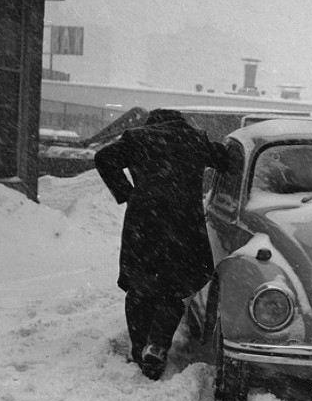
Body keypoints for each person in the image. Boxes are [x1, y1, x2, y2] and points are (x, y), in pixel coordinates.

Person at [95, 108, 227, 380]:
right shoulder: (194, 140)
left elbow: (103, 157)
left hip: (144, 222)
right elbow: (226, 159)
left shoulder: (137, 138)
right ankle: (157, 345)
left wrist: (128, 193)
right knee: (173, 289)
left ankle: (139, 347)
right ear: (180, 123)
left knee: (139, 287)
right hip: (183, 222)